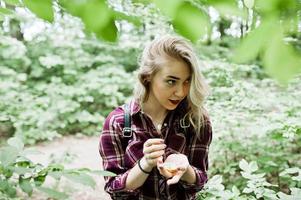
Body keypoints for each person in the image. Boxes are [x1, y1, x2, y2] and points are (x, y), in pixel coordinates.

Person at [99, 35, 212, 200]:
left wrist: (185, 168)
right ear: (147, 77)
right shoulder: (119, 122)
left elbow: (200, 181)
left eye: (187, 81)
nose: (181, 92)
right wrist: (145, 164)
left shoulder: (196, 120)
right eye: (171, 81)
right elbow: (113, 188)